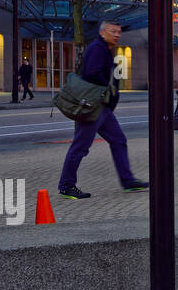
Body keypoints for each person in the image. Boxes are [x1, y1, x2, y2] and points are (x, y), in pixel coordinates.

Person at [57, 21, 147, 200]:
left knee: (118, 140)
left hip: (101, 107)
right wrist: (109, 89)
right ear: (103, 32)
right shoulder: (98, 48)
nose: (117, 35)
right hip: (93, 106)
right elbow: (92, 73)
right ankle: (66, 185)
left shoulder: (103, 48)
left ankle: (127, 180)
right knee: (81, 146)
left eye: (119, 32)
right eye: (113, 31)